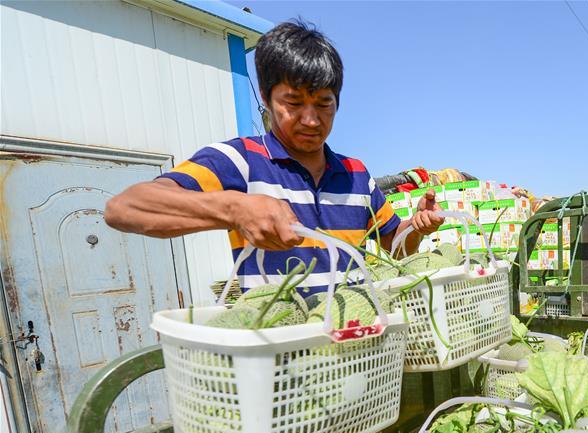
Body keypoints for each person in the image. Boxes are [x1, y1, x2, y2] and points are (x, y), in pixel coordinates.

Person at [104, 20, 444, 295]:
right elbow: (125, 209)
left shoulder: (356, 174)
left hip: (354, 350)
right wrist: (233, 208)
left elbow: (397, 249)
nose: (311, 120)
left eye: (324, 104)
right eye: (293, 104)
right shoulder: (239, 160)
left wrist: (415, 228)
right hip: (282, 361)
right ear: (267, 99)